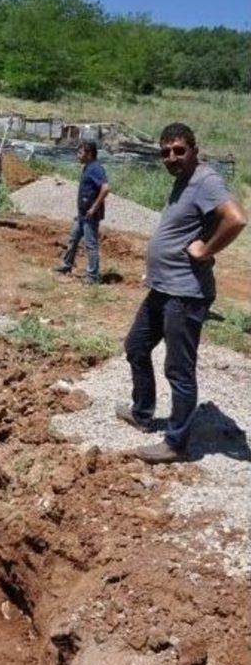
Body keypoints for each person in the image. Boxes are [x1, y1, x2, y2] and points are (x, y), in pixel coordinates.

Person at [116, 122, 247, 464]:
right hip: (163, 288)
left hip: (185, 294)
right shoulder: (183, 182)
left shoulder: (205, 181)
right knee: (136, 347)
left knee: (179, 369)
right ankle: (143, 413)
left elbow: (235, 218)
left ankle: (176, 443)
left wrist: (205, 249)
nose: (171, 157)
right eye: (165, 152)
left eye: (178, 150)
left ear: (194, 150)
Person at [55, 141, 110, 284]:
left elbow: (105, 188)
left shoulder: (96, 168)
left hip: (90, 215)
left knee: (90, 244)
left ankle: (93, 275)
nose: (77, 155)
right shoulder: (87, 167)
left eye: (80, 152)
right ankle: (66, 265)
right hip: (82, 214)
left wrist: (94, 208)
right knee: (73, 239)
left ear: (89, 153)